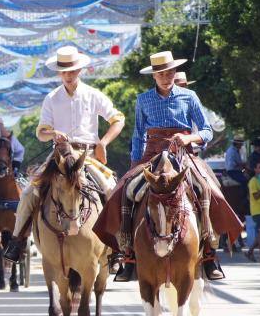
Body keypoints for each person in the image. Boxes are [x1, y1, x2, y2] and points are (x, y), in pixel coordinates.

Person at [98, 50, 242, 282]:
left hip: (183, 154)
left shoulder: (189, 96)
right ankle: (127, 254)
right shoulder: (143, 100)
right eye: (161, 73)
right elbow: (137, 135)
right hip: (152, 153)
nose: (167, 76)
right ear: (154, 76)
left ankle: (209, 253)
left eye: (170, 72)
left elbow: (206, 130)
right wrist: (135, 164)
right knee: (125, 190)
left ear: (175, 72)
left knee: (207, 188)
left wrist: (189, 138)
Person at [3, 46, 125, 262]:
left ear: (80, 70)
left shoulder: (93, 95)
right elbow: (40, 132)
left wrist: (103, 142)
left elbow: (118, 119)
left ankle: (118, 245)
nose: (68, 75)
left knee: (111, 189)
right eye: (64, 71)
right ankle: (17, 241)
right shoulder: (51, 98)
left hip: (86, 156)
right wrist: (52, 133)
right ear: (59, 73)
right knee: (29, 192)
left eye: (72, 70)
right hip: (58, 156)